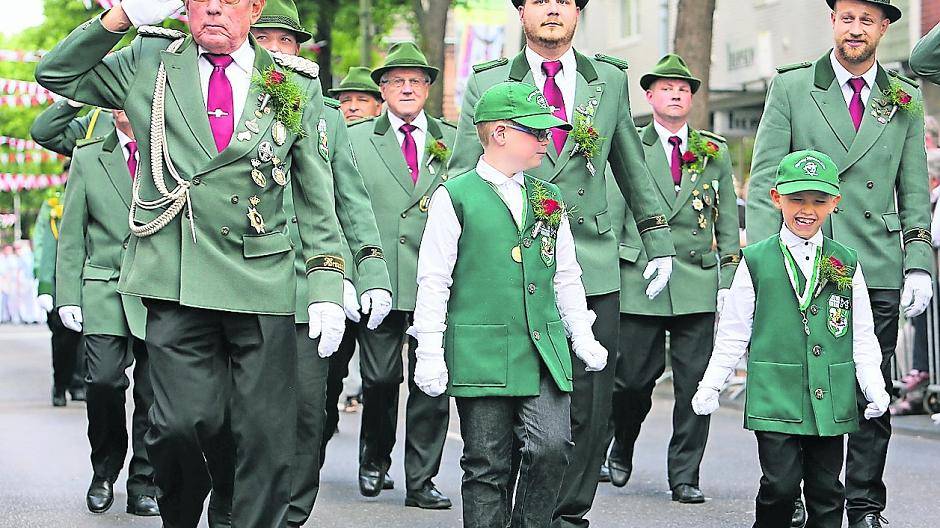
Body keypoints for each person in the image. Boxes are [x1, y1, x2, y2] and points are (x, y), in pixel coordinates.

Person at [35, 0, 349, 526]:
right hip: (177, 277)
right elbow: (57, 72)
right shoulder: (150, 61)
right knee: (179, 426)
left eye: (230, 0)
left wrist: (326, 280)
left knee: (265, 435)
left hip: (261, 280)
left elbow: (315, 192)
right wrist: (123, 17)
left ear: (254, 9)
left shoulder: (292, 82)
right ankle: (180, 513)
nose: (215, 9)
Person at [448, 2, 676, 525]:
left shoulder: (609, 82)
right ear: (521, 10)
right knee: (505, 410)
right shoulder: (489, 82)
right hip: (507, 273)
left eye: (565, 0)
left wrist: (656, 238)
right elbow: (463, 174)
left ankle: (567, 516)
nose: (553, 8)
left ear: (577, 12)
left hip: (591, 264)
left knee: (588, 413)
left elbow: (630, 163)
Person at [203, 2, 394, 526]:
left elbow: (347, 198)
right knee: (230, 415)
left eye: (286, 41)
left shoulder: (321, 109)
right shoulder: (216, 100)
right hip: (237, 284)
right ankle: (228, 504)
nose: (277, 49)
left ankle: (288, 515)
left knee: (308, 415)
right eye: (266, 38)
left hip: (308, 286)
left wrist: (369, 271)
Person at [746, 2, 932, 526]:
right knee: (805, 384)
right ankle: (802, 492)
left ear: (884, 28)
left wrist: (918, 260)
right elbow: (764, 183)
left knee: (872, 389)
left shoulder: (904, 97)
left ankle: (865, 503)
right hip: (801, 263)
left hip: (874, 262)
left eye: (867, 20)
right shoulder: (792, 88)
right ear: (833, 22)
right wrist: (762, 264)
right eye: (847, 17)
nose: (856, 28)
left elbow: (913, 187)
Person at [412, 80, 606, 528]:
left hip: (543, 350)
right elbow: (434, 279)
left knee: (552, 447)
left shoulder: (547, 197)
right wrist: (428, 350)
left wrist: (582, 332)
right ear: (499, 133)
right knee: (487, 465)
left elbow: (565, 274)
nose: (546, 140)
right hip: (482, 350)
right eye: (535, 132)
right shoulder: (455, 195)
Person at [694, 149, 890, 528]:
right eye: (797, 199)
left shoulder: (846, 261)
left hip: (830, 396)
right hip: (776, 395)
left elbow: (861, 333)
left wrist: (874, 384)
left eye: (818, 201)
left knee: (827, 493)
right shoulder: (755, 260)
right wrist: (711, 384)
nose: (807, 210)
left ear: (835, 203)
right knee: (780, 486)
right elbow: (734, 332)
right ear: (776, 198)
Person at [604, 54, 740, 503]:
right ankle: (621, 441)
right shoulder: (630, 146)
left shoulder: (713, 152)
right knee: (631, 381)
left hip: (697, 283)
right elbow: (619, 212)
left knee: (695, 384)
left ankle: (685, 474)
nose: (675, 94)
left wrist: (728, 281)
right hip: (642, 280)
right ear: (650, 96)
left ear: (693, 99)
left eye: (683, 88)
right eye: (666, 88)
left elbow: (724, 223)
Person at [346, 41, 456, 508]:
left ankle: (422, 480)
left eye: (416, 81)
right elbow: (343, 211)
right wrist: (351, 276)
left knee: (431, 384)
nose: (407, 88)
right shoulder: (355, 139)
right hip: (381, 281)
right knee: (379, 380)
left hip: (437, 282)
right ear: (383, 90)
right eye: (396, 81)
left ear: (428, 88)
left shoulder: (454, 140)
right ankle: (374, 459)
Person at [54, 110, 158, 517]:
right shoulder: (88, 154)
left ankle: (144, 483)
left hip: (159, 288)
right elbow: (73, 230)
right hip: (104, 286)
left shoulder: (171, 148)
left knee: (154, 394)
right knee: (102, 383)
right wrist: (67, 295)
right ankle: (104, 470)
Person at [32, 192, 85, 406]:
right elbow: (46, 249)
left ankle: (78, 383)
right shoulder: (55, 206)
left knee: (85, 341)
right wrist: (44, 286)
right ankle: (60, 384)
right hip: (58, 282)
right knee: (62, 341)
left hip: (85, 282)